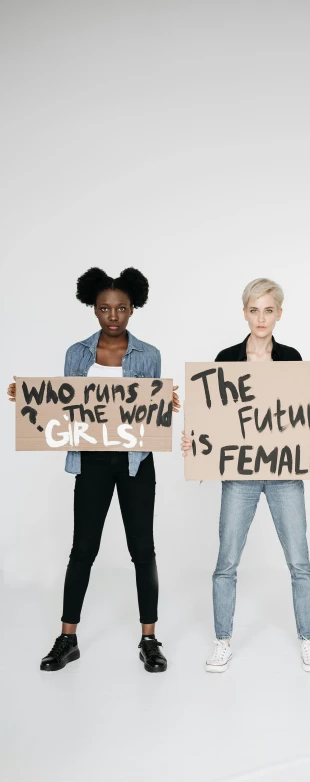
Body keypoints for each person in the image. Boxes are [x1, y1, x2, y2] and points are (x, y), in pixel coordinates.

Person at [7, 267, 180, 673]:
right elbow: (65, 407)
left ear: (133, 308)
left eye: (121, 308)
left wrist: (165, 406)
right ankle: (67, 638)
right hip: (92, 461)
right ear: (94, 309)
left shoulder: (148, 355)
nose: (113, 316)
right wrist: (31, 400)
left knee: (142, 550)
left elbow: (149, 419)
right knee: (82, 549)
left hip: (136, 463)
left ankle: (149, 639)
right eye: (105, 308)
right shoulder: (77, 354)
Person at [182, 278, 310, 673]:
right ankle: (222, 640)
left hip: (284, 473)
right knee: (226, 561)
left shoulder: (292, 358)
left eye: (269, 310)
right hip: (241, 474)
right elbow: (213, 419)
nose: (261, 317)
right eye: (254, 309)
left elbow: (302, 415)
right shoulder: (226, 358)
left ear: (279, 313)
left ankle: (307, 639)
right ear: (244, 312)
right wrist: (198, 446)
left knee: (300, 562)